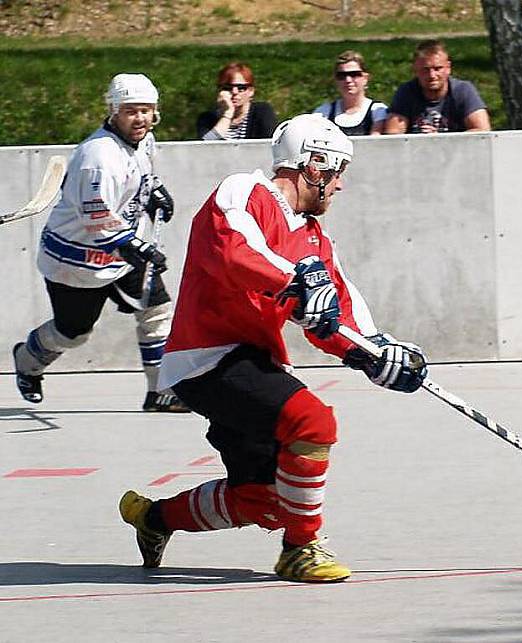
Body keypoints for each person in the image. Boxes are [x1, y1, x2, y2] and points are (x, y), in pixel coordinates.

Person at [118, 114, 429, 583]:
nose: (340, 186)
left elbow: (337, 312)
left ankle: (152, 519)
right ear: (315, 165)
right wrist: (296, 281)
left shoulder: (315, 239)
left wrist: (374, 353)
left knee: (263, 501)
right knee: (313, 420)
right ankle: (301, 549)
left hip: (250, 359)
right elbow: (233, 249)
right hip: (205, 357)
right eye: (337, 172)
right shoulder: (245, 192)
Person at [11, 73, 189, 413]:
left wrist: (153, 191)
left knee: (157, 310)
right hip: (76, 261)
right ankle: (27, 360)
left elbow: (141, 174)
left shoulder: (144, 140)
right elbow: (97, 217)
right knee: (74, 334)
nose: (140, 118)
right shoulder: (98, 157)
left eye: (146, 111)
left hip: (119, 254)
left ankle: (160, 392)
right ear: (113, 111)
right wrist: (134, 245)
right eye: (130, 111)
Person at [384, 39, 491, 134]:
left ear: (448, 68)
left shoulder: (463, 90)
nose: (432, 75)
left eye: (437, 68)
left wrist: (439, 139)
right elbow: (392, 133)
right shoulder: (406, 92)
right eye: (425, 70)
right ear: (415, 69)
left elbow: (482, 130)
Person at [312, 50, 388, 136]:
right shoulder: (323, 113)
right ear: (335, 80)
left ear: (365, 78)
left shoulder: (378, 111)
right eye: (341, 76)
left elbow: (375, 143)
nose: (348, 80)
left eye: (354, 74)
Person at [196, 62, 278, 140]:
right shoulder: (207, 118)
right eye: (228, 88)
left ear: (251, 91)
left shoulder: (262, 111)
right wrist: (227, 114)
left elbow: (269, 144)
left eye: (241, 88)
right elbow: (205, 147)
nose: (235, 92)